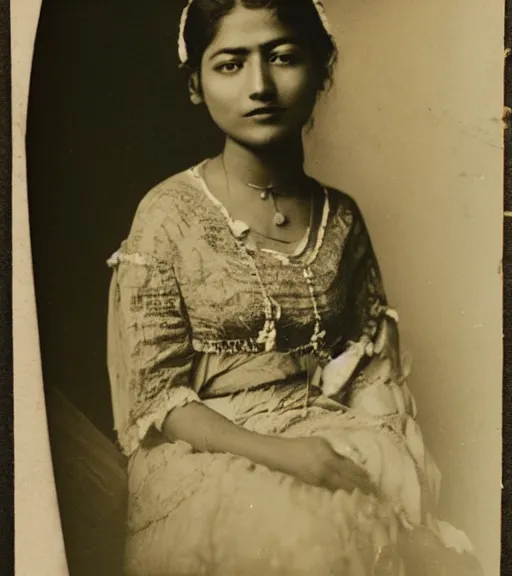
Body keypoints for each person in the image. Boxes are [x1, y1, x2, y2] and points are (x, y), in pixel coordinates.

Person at [106, 1, 484, 574]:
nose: (260, 86)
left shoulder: (342, 219)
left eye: (282, 58)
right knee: (302, 531)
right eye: (230, 65)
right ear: (195, 84)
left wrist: (383, 461)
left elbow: (370, 369)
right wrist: (286, 457)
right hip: (206, 452)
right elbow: (157, 398)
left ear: (321, 71)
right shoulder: (167, 216)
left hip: (324, 431)